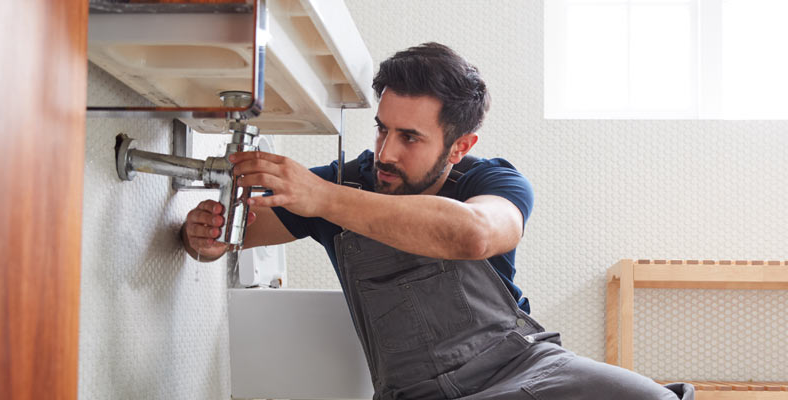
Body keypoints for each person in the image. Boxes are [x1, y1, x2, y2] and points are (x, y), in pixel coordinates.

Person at [181, 42, 694, 400]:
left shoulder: (493, 183)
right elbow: (232, 236)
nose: (384, 151)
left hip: (525, 370)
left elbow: (474, 233)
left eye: (410, 138)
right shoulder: (344, 182)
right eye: (382, 129)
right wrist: (201, 235)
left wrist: (325, 198)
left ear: (460, 146)